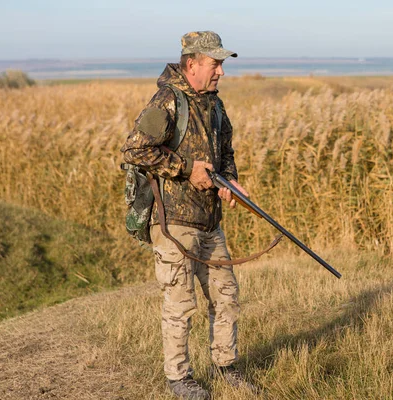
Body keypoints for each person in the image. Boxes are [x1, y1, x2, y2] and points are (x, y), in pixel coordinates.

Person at [121, 31, 253, 400]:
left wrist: (231, 182)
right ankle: (179, 379)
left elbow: (224, 153)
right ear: (192, 63)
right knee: (181, 304)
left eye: (222, 64)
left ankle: (227, 368)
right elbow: (134, 150)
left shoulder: (215, 105)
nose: (221, 72)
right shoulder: (167, 101)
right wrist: (185, 169)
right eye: (215, 64)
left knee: (226, 297)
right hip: (174, 222)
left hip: (210, 220)